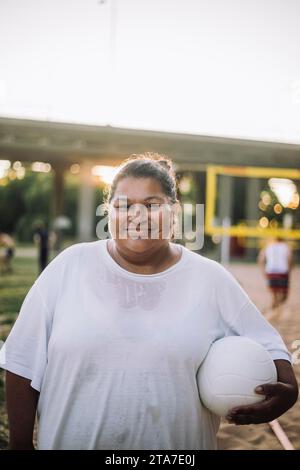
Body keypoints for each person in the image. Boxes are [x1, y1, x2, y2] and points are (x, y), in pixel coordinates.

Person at [0, 154, 298, 450]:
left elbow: (268, 343)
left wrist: (288, 390)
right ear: (108, 211)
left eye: (152, 205)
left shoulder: (210, 279)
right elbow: (22, 363)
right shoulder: (70, 266)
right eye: (123, 205)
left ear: (174, 211)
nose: (137, 215)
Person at [258, 237, 293, 309]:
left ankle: (275, 305)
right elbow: (290, 259)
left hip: (271, 271)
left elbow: (260, 259)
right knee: (284, 295)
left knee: (274, 293)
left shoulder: (268, 246)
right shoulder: (286, 246)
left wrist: (263, 272)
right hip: (283, 272)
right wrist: (289, 271)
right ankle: (276, 307)